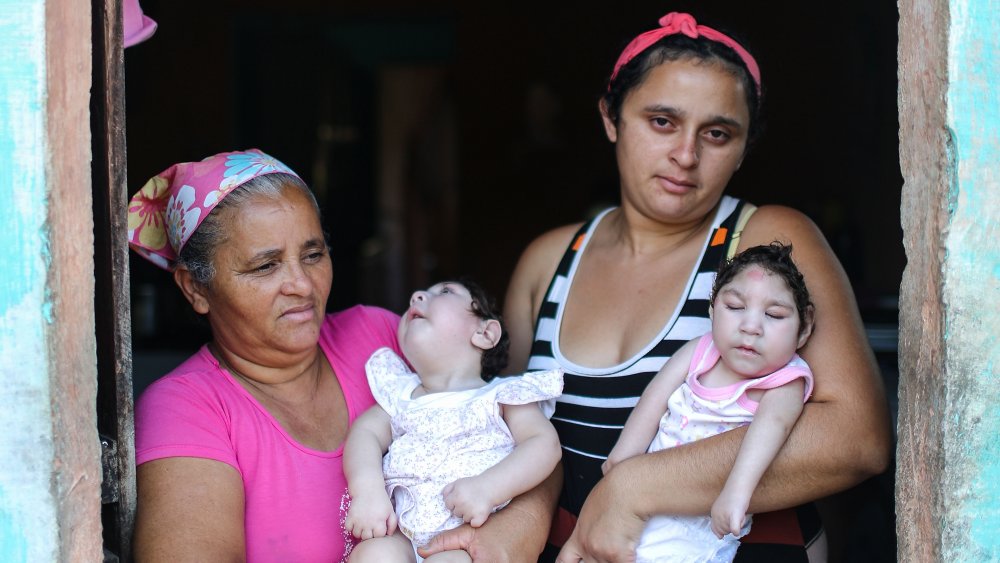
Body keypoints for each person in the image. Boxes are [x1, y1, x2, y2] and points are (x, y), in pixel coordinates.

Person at [498, 12, 892, 563]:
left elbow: (858, 439)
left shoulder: (768, 242)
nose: (686, 156)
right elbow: (496, 425)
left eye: (717, 133)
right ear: (611, 118)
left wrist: (634, 489)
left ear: (745, 145)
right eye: (662, 121)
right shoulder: (550, 260)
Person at [128, 150, 552, 562]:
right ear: (195, 288)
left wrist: (508, 536)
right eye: (265, 266)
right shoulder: (185, 408)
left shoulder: (381, 338)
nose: (301, 284)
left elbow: (529, 446)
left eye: (313, 255)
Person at [603, 243, 815, 562]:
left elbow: (772, 428)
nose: (751, 326)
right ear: (713, 310)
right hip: (645, 497)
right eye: (734, 307)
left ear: (804, 327)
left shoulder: (784, 380)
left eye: (773, 314)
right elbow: (655, 397)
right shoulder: (700, 351)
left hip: (702, 519)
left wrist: (736, 494)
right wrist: (623, 456)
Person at [344, 279, 563, 563]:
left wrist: (489, 487)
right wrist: (368, 490)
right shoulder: (400, 394)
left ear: (485, 332)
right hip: (403, 535)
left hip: (469, 538)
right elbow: (365, 434)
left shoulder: (501, 396)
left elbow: (544, 444)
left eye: (445, 291)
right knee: (372, 554)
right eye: (420, 293)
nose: (417, 295)